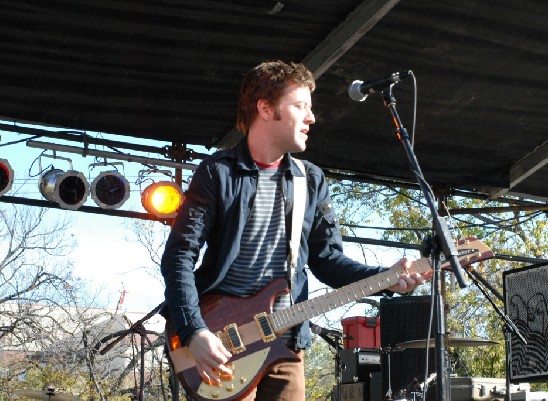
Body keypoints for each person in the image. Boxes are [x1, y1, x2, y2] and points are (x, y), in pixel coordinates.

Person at [160, 60, 431, 400]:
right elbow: (178, 257)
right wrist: (194, 332)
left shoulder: (311, 180)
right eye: (301, 106)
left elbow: (327, 260)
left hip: (286, 344)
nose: (311, 117)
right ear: (266, 108)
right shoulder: (217, 173)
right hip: (223, 341)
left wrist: (387, 276)